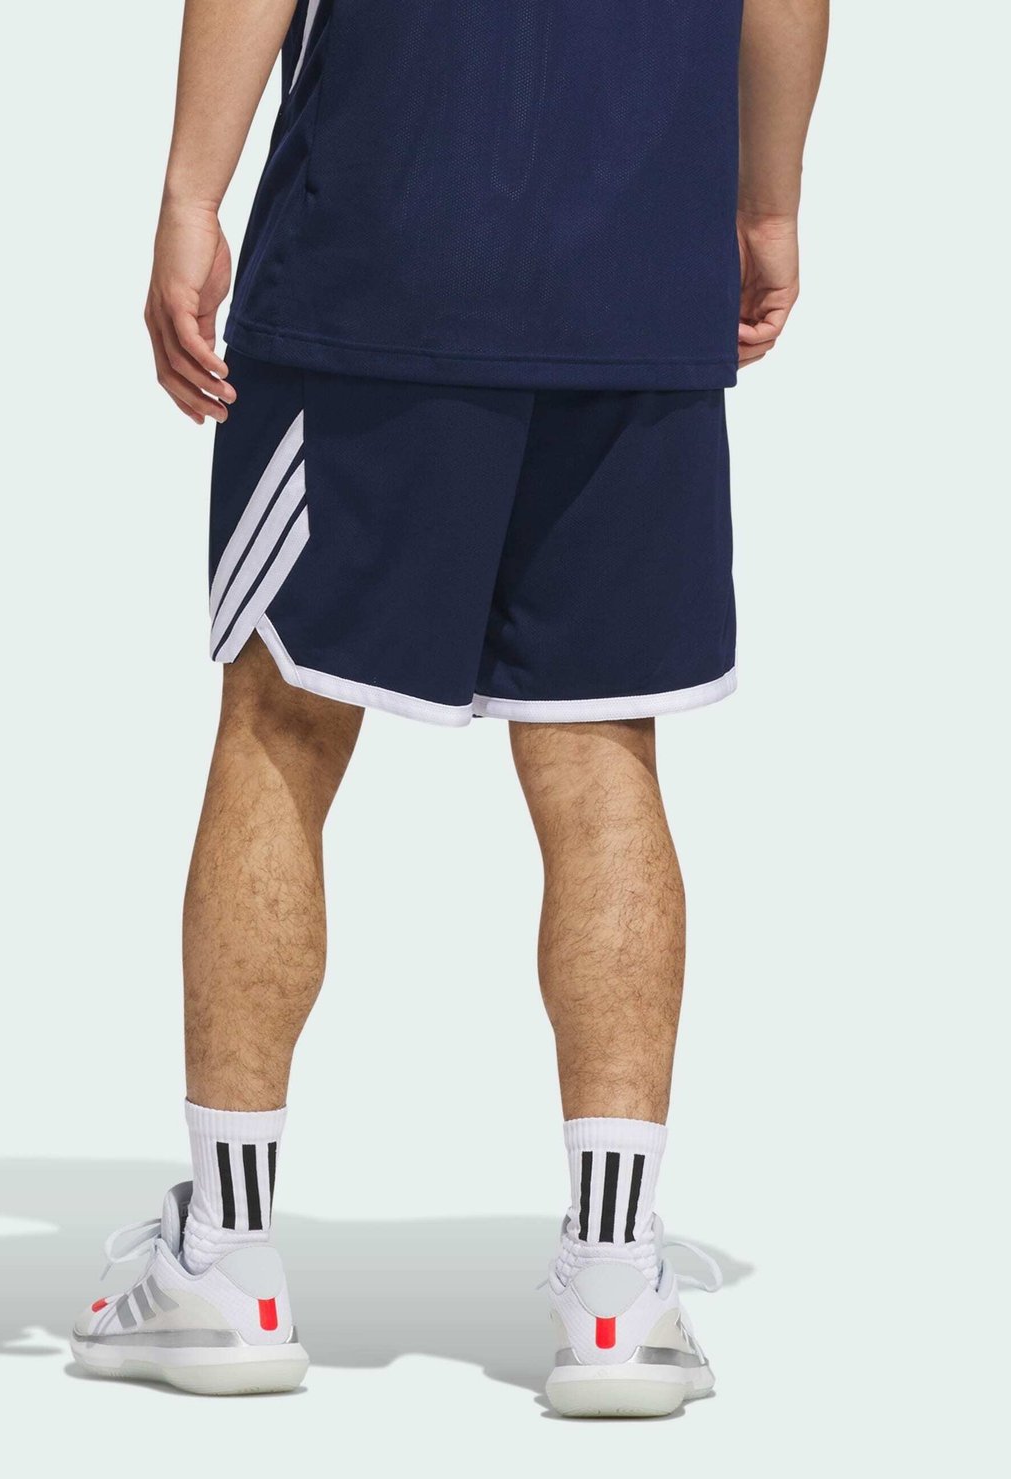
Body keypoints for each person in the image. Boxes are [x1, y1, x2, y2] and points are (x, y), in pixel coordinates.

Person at [71, 0, 827, 1414]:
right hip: (637, 273)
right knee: (602, 754)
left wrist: (189, 193)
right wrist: (768, 199)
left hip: (382, 250)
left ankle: (225, 1262)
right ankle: (619, 1295)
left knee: (282, 726)